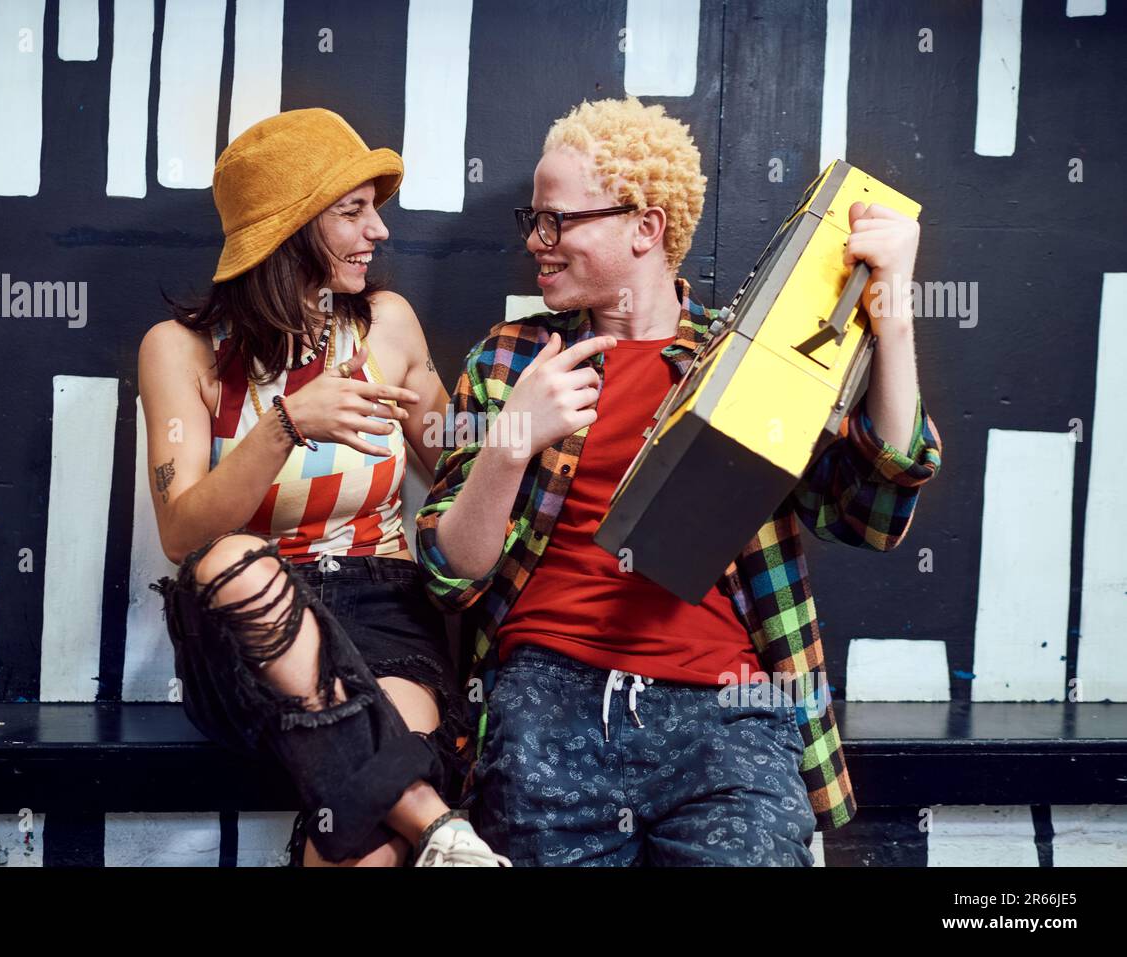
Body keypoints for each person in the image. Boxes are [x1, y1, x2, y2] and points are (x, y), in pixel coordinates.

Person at [416, 96, 944, 865]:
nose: (538, 241)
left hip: (725, 711)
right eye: (533, 221)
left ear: (645, 226)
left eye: (558, 220)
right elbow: (449, 577)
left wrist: (891, 314)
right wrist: (510, 443)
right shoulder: (509, 359)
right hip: (547, 696)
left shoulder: (749, 359)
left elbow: (873, 512)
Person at [140, 107, 510, 867]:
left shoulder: (387, 327)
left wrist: (514, 430)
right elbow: (183, 534)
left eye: (374, 210)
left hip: (383, 608)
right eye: (352, 211)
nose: (378, 231)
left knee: (367, 842)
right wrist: (285, 423)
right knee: (230, 559)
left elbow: (454, 465)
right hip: (254, 626)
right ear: (288, 229)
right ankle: (437, 821)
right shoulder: (181, 351)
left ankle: (435, 833)